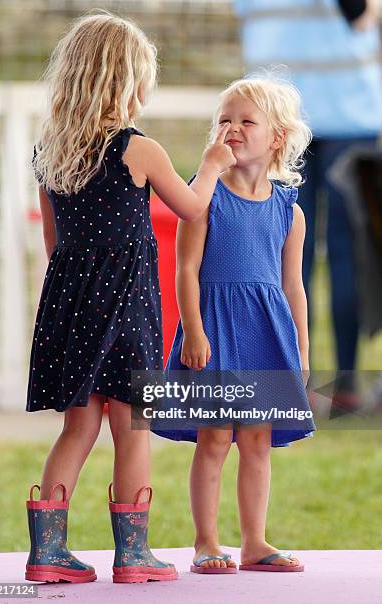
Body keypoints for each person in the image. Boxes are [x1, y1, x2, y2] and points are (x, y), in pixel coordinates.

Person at [24, 10, 235, 585]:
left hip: (69, 304)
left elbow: (53, 240)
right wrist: (212, 165)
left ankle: (49, 551)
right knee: (133, 425)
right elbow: (192, 207)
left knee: (78, 427)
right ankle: (133, 555)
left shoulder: (50, 153)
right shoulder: (138, 149)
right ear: (129, 82)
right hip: (126, 306)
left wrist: (81, 290)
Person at [152, 75, 316, 573]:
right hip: (215, 331)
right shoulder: (202, 200)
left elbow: (293, 288)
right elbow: (185, 270)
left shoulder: (290, 212)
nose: (234, 129)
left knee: (257, 440)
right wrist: (194, 332)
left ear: (277, 138)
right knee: (215, 437)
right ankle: (206, 542)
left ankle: (255, 543)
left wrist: (302, 351)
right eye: (225, 120)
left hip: (267, 335)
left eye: (248, 121)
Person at [233, 0, 382, 412]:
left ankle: (294, 386)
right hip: (349, 115)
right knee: (344, 252)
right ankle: (346, 387)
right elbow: (361, 15)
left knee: (282, 256)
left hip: (275, 118)